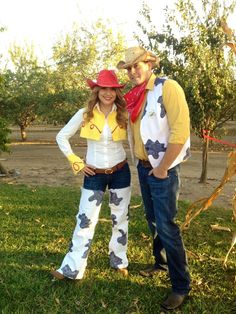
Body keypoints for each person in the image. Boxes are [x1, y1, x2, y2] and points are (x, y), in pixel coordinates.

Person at [117, 47, 191, 311]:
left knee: (167, 224)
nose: (133, 71)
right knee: (152, 219)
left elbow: (181, 131)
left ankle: (180, 286)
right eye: (128, 68)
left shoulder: (168, 87)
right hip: (144, 167)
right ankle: (160, 263)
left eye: (137, 65)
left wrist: (163, 168)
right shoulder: (134, 96)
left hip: (163, 170)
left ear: (150, 64)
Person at [51, 69, 131, 280]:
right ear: (96, 90)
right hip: (94, 174)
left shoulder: (124, 113)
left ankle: (119, 260)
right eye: (103, 88)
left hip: (121, 172)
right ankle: (72, 268)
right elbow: (61, 137)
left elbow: (135, 139)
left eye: (112, 89)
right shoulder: (85, 113)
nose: (108, 93)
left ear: (116, 92)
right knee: (85, 220)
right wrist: (77, 162)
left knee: (120, 218)